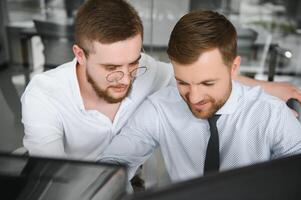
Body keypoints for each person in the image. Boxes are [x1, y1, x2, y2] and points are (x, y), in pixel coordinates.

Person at [22, 0, 300, 160]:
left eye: (133, 63)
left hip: (126, 183)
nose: (125, 78)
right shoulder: (44, 95)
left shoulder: (147, 71)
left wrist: (272, 89)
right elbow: (53, 179)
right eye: (111, 67)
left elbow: (204, 77)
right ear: (80, 55)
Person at [99, 10, 301, 184]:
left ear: (234, 68)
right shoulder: (159, 108)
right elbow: (113, 165)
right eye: (183, 83)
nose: (194, 98)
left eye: (207, 83)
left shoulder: (271, 115)